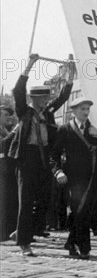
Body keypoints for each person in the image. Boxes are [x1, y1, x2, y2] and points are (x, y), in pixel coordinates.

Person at [9, 54, 73, 255]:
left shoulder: (48, 112)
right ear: (34, 99)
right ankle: (24, 243)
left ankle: (22, 231)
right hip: (26, 157)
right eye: (43, 98)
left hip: (44, 157)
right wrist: (30, 64)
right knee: (26, 199)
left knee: (45, 199)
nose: (47, 101)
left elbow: (62, 97)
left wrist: (70, 76)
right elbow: (18, 90)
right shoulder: (24, 111)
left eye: (47, 98)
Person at [51, 97, 97, 259]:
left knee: (82, 211)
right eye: (83, 109)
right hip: (73, 177)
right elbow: (54, 155)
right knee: (79, 210)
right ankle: (82, 246)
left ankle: (73, 243)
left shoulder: (93, 129)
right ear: (74, 111)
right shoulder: (65, 129)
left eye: (88, 109)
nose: (86, 112)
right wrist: (58, 171)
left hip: (93, 177)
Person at [0, 105, 17, 241]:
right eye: (5, 114)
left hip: (7, 167)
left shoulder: (5, 129)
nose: (8, 117)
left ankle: (7, 230)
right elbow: (2, 145)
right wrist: (13, 134)